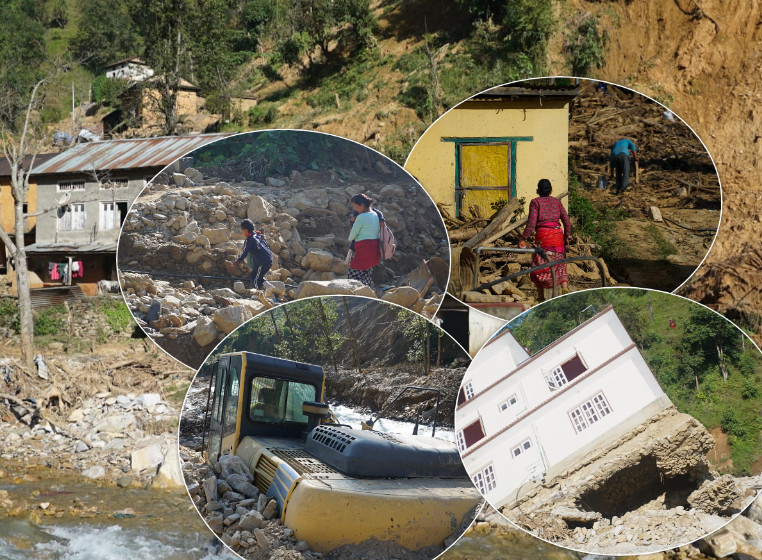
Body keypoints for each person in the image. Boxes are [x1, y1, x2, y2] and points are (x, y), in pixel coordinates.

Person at [520, 179, 571, 301]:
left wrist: (523, 238)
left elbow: (531, 223)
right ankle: (564, 287)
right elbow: (566, 220)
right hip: (558, 238)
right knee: (560, 264)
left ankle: (541, 296)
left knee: (540, 266)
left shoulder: (535, 202)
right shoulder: (557, 202)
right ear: (551, 190)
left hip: (543, 240)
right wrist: (567, 236)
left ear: (538, 191)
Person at [346, 194, 380, 286]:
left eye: (355, 206)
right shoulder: (375, 214)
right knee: (366, 274)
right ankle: (366, 291)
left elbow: (352, 236)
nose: (354, 209)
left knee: (353, 277)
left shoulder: (361, 217)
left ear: (361, 205)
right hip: (374, 250)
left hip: (363, 250)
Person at [235, 219, 272, 290]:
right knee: (257, 276)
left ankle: (258, 293)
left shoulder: (249, 240)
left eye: (241, 230)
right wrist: (261, 231)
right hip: (268, 259)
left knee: (254, 277)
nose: (241, 231)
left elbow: (245, 252)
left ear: (245, 230)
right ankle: (269, 286)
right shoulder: (257, 234)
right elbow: (261, 233)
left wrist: (238, 260)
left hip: (262, 262)